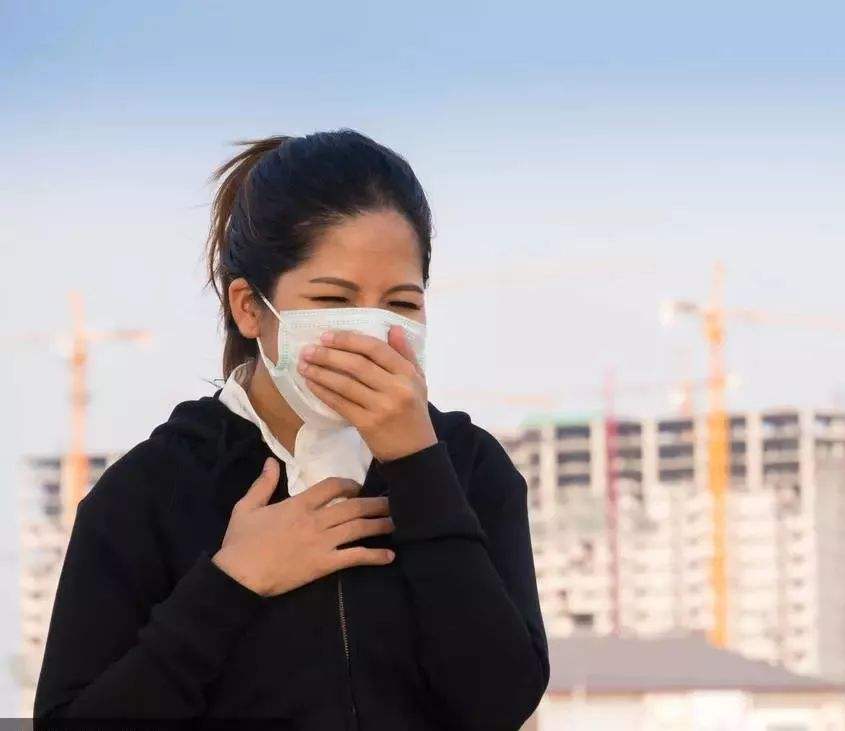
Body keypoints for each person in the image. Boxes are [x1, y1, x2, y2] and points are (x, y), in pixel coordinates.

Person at [33, 129, 550, 730]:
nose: (369, 332)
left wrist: (417, 466)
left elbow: (500, 702)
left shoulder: (470, 466)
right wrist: (232, 583)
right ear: (249, 307)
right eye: (334, 300)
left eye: (401, 304)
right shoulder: (150, 490)